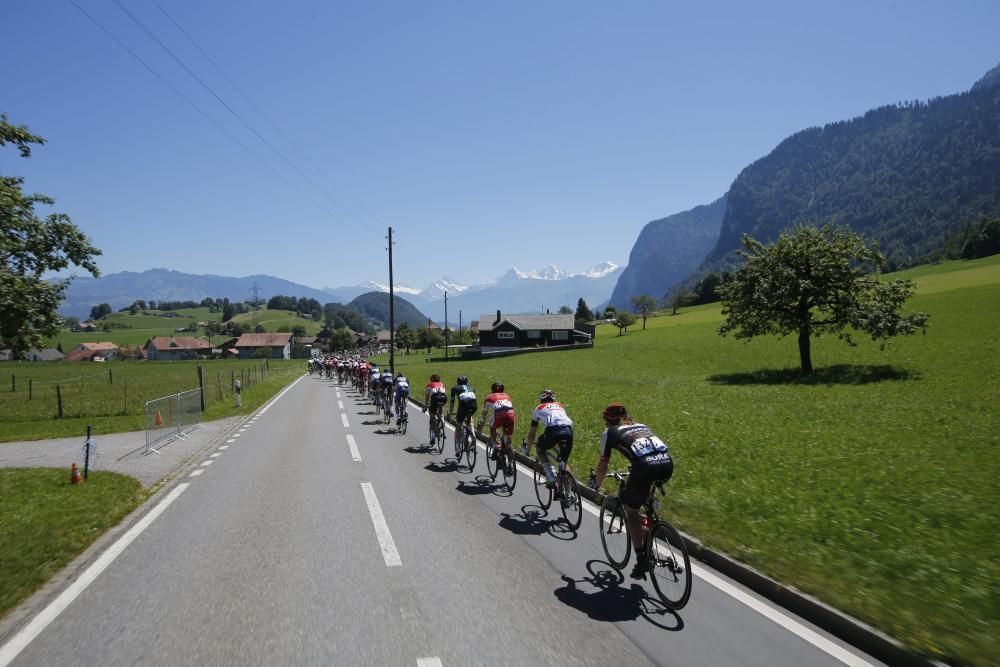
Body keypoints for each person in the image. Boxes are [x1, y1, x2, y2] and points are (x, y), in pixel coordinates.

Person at [590, 403, 674, 580]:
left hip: (645, 467)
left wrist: (596, 484)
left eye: (606, 421)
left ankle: (641, 558)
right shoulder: (642, 426)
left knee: (631, 511)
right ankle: (650, 525)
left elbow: (603, 464)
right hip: (666, 464)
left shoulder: (610, 433)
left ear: (608, 421)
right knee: (645, 496)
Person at [523, 389, 573, 494]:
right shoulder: (560, 406)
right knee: (563, 461)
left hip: (553, 430)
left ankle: (551, 477)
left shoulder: (539, 408)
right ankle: (568, 493)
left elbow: (532, 433)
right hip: (568, 431)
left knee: (540, 449)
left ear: (541, 399)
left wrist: (527, 449)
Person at [477, 382, 515, 458]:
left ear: (492, 390)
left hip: (499, 415)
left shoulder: (489, 398)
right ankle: (510, 462)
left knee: (492, 427)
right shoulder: (508, 396)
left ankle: (495, 445)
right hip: (511, 415)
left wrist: (480, 429)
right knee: (507, 438)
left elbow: (484, 415)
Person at [423, 373, 448, 445]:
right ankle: (442, 419)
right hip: (443, 398)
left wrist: (425, 406)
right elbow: (444, 393)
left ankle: (433, 436)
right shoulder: (442, 384)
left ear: (431, 379)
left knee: (432, 417)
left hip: (435, 398)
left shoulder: (429, 385)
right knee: (441, 406)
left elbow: (427, 397)